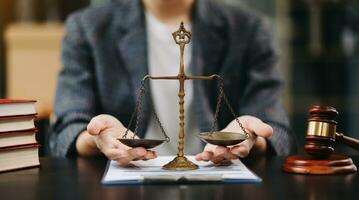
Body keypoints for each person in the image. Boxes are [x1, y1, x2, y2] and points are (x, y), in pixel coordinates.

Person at [49, 0, 297, 165]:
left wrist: (253, 137)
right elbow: (64, 131)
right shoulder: (88, 28)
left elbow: (279, 131)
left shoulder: (249, 29)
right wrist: (96, 138)